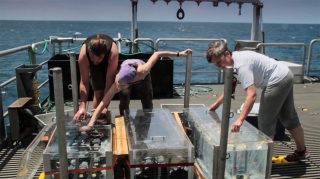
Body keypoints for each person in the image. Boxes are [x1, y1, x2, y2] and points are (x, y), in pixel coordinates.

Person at [206, 40, 308, 162]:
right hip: (285, 74)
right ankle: (302, 151)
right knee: (289, 118)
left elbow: (252, 95)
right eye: (216, 65)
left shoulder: (241, 65)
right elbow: (229, 87)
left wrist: (239, 120)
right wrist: (215, 105)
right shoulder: (234, 59)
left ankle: (263, 162)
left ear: (227, 53)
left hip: (276, 81)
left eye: (219, 62)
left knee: (265, 123)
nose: (220, 67)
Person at [79, 49, 192, 131]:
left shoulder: (143, 71)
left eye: (122, 85)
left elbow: (157, 53)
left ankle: (148, 125)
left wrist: (179, 54)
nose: (119, 87)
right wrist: (90, 124)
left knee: (147, 101)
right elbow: (103, 102)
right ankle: (124, 124)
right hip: (126, 72)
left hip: (141, 75)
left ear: (131, 81)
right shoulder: (118, 82)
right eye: (119, 85)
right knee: (123, 101)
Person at [73, 34, 119, 121]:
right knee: (98, 91)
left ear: (104, 54)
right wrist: (82, 107)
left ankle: (101, 114)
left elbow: (109, 80)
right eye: (93, 58)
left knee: (106, 87)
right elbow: (84, 81)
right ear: (89, 52)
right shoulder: (84, 54)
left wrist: (104, 106)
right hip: (93, 66)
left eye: (99, 59)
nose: (95, 61)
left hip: (107, 63)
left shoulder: (113, 52)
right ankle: (96, 118)